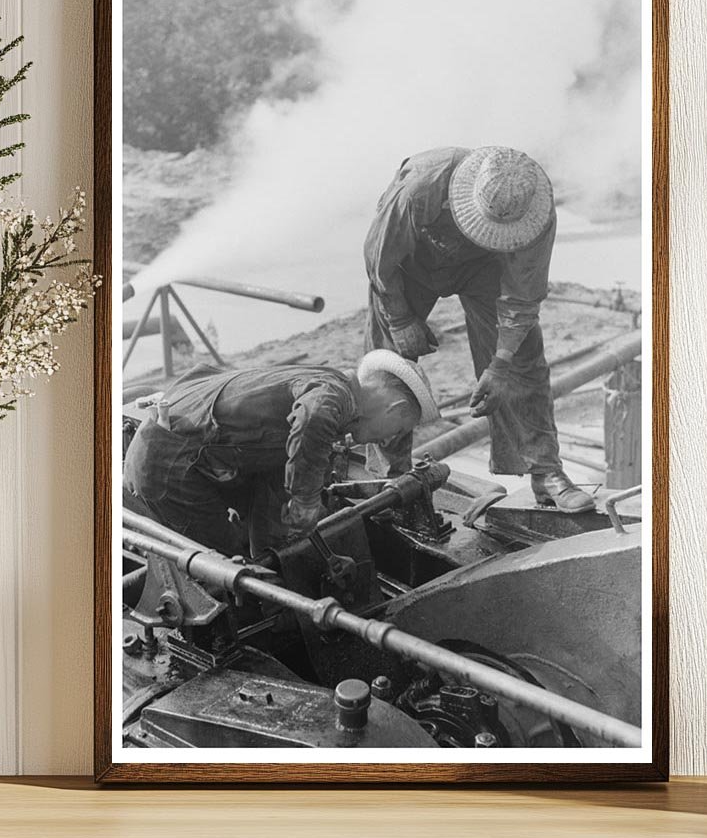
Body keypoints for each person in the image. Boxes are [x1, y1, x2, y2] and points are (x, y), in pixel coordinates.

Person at [363, 145, 594, 513]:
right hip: (412, 263)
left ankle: (545, 472)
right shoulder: (419, 190)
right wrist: (400, 319)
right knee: (389, 365)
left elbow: (522, 300)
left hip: (485, 266)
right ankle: (392, 480)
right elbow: (379, 260)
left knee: (524, 360)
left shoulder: (534, 211)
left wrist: (499, 366)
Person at [123, 350, 440, 554]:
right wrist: (305, 500)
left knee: (250, 553)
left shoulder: (321, 386)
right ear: (394, 407)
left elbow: (279, 473)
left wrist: (274, 545)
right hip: (168, 466)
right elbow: (314, 420)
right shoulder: (335, 396)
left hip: (182, 456)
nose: (388, 441)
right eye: (398, 430)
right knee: (220, 565)